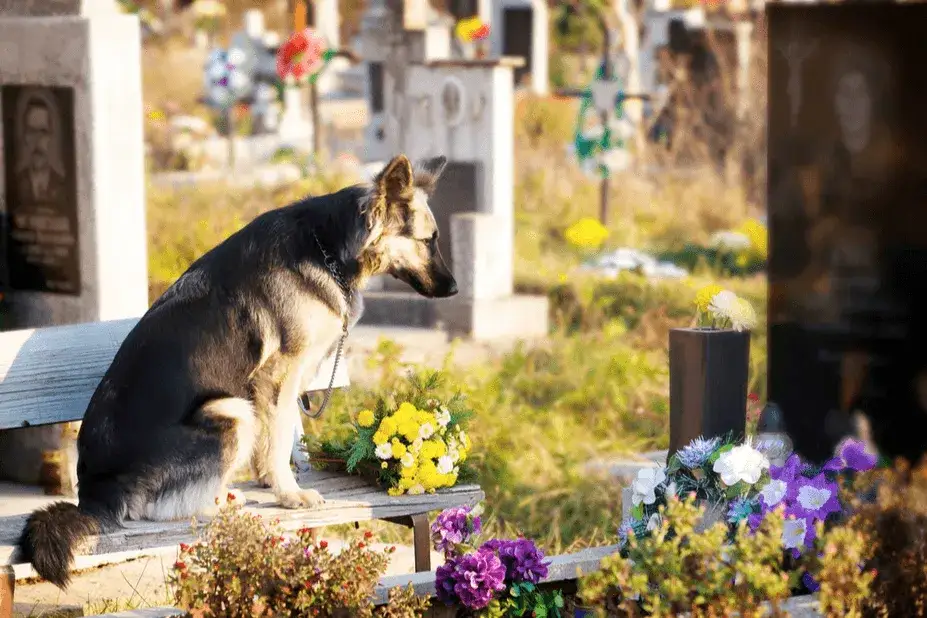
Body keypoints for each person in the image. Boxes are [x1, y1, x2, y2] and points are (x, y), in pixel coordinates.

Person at [14, 94, 66, 206]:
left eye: (43, 132)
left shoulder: (63, 186)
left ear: (51, 136)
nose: (37, 140)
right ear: (25, 137)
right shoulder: (14, 185)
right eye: (32, 132)